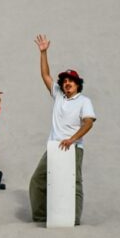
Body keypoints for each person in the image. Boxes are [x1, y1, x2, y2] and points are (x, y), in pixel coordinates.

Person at [30, 34, 96, 225]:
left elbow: (89, 123)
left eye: (71, 81)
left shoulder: (84, 101)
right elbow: (45, 75)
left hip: (73, 147)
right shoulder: (58, 95)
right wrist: (43, 53)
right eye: (65, 81)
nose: (67, 83)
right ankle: (41, 216)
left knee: (73, 183)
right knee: (37, 181)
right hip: (53, 146)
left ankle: (74, 219)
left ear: (77, 85)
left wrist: (72, 139)